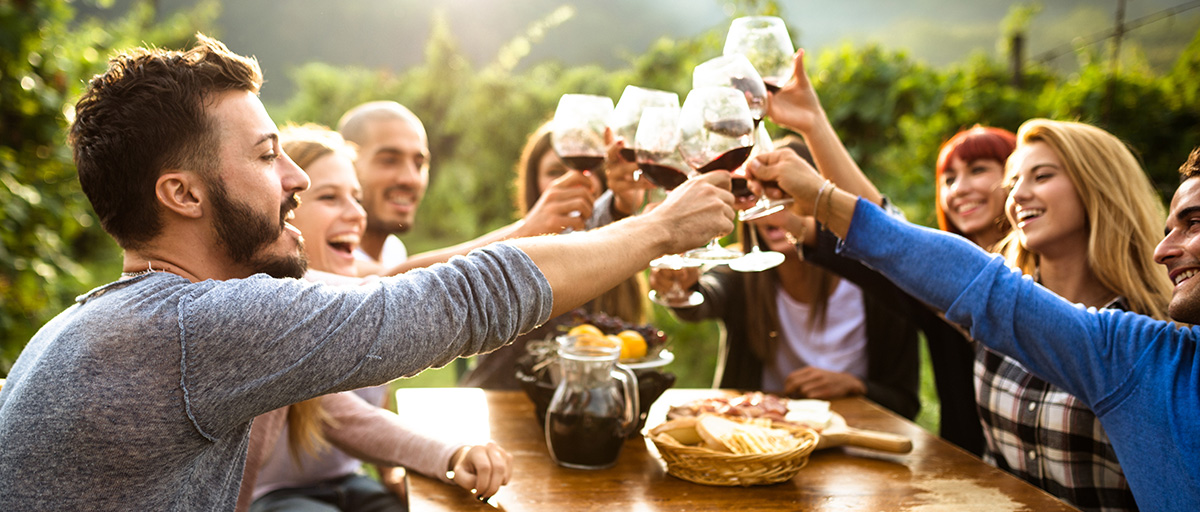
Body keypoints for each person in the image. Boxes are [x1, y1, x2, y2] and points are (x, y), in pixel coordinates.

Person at [0, 35, 735, 510]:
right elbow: (456, 300)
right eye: (264, 155)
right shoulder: (194, 327)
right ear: (182, 194)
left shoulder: (131, 318)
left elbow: (388, 289)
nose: (294, 177)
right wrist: (664, 226)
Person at [749, 119, 1200, 510]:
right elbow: (924, 257)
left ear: (1096, 186)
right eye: (1013, 180)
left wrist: (823, 196)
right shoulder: (1111, 343)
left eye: (1040, 176)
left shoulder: (1144, 344)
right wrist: (810, 171)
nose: (1017, 193)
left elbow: (931, 258)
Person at [236, 125, 511, 512]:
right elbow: (345, 419)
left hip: (348, 481)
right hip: (275, 496)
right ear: (284, 213)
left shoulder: (357, 278)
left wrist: (447, 456)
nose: (356, 215)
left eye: (357, 198)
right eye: (330, 197)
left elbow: (362, 412)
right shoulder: (265, 304)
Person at [655, 138, 920, 418]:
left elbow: (904, 402)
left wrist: (855, 385)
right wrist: (682, 285)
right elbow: (704, 299)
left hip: (854, 435)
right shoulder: (743, 273)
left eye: (785, 192)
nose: (773, 204)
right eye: (763, 192)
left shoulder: (877, 285)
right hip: (762, 440)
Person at [458, 121, 651, 388]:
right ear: (534, 184)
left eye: (594, 170)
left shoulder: (621, 268)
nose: (574, 180)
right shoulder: (515, 256)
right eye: (555, 171)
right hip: (500, 407)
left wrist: (622, 212)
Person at [336, 101, 596, 273]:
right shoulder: (327, 256)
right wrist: (526, 230)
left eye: (419, 163)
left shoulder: (393, 250)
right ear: (346, 164)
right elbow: (396, 279)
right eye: (389, 160)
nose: (410, 179)